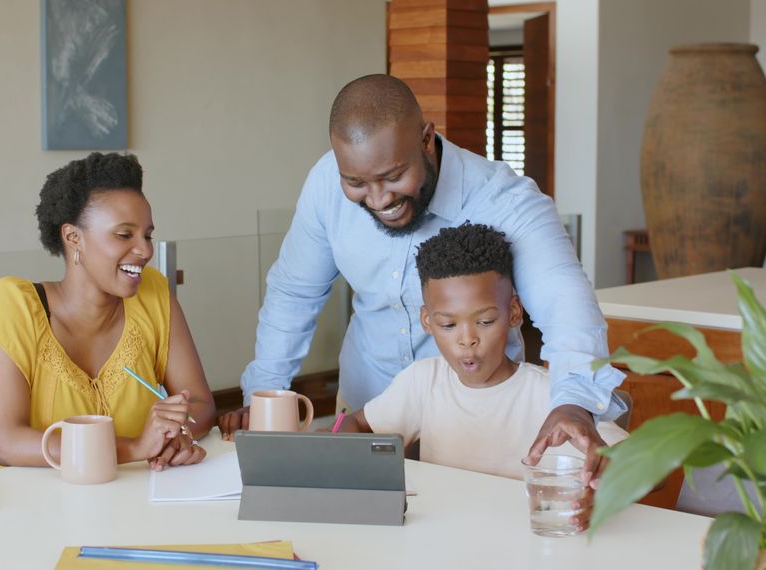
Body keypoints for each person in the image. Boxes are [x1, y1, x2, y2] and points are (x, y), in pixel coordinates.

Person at [220, 74, 626, 484]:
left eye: (394, 176)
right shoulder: (325, 184)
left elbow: (568, 308)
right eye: (357, 183)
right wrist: (264, 396)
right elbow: (293, 293)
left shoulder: (504, 199)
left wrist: (574, 402)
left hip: (478, 430)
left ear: (426, 139)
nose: (379, 199)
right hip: (367, 417)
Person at [334, 223, 628, 531]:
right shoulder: (424, 381)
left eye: (485, 321)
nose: (467, 340)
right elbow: (358, 423)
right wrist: (341, 455)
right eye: (448, 325)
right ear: (427, 321)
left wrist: (605, 482)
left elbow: (643, 462)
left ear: (514, 312)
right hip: (444, 539)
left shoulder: (555, 398)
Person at [0, 152, 215, 475]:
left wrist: (177, 434)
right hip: (10, 504)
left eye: (148, 235)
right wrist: (135, 447)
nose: (146, 250)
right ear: (73, 237)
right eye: (125, 235)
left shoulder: (154, 296)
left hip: (118, 503)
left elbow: (201, 406)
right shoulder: (9, 306)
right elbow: (8, 444)